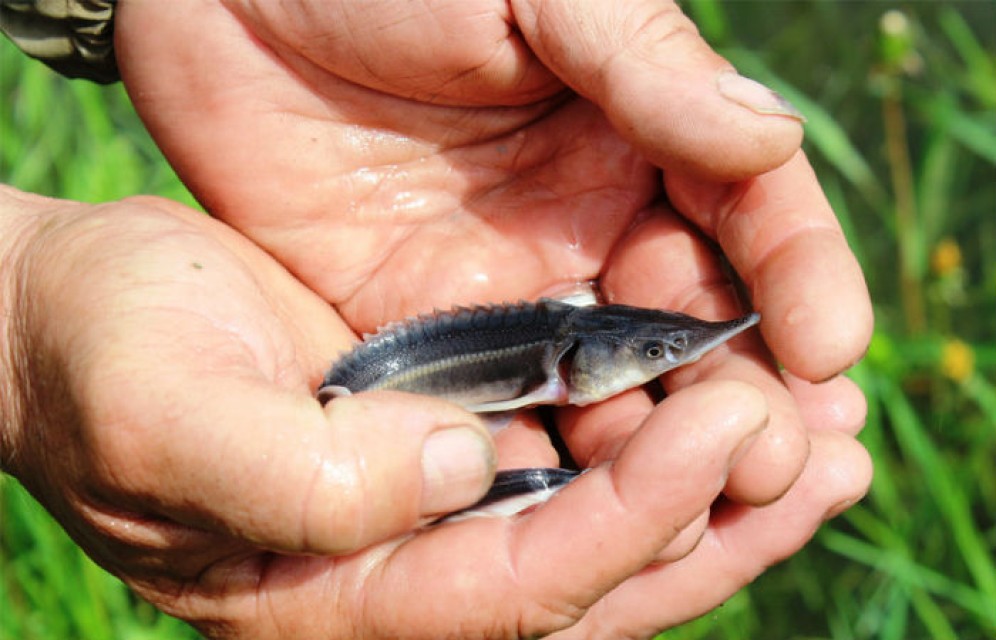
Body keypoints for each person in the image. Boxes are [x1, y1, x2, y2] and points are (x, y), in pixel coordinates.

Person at [1, 2, 874, 638]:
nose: (659, 359)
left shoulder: (567, 342)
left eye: (659, 352)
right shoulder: (547, 367)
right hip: (377, 375)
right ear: (572, 363)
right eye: (649, 351)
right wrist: (16, 303)